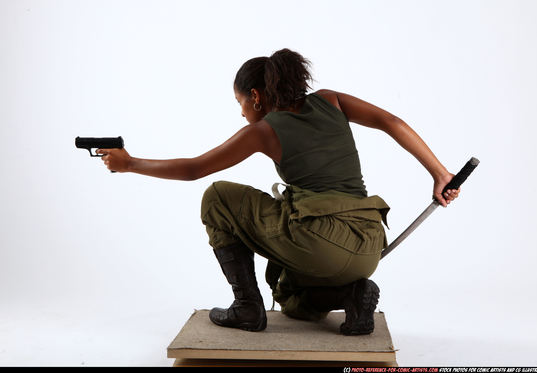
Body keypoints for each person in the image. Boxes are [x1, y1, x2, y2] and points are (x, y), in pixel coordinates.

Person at [97, 48, 459, 335]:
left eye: (240, 103)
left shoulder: (265, 129)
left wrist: (130, 164)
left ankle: (246, 307)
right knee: (286, 292)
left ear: (256, 96)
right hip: (369, 245)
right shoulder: (331, 100)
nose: (241, 113)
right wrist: (440, 173)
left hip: (320, 243)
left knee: (217, 196)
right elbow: (392, 122)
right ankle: (351, 295)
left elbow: (194, 169)